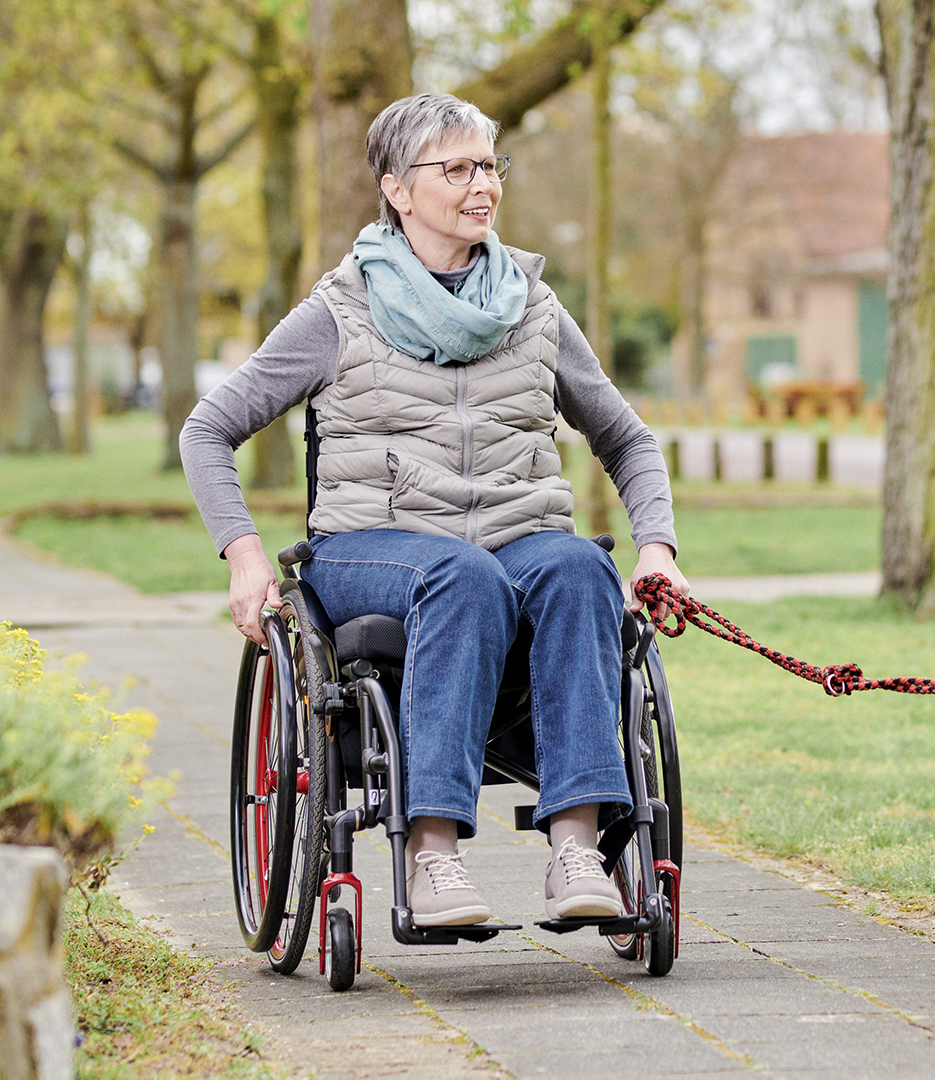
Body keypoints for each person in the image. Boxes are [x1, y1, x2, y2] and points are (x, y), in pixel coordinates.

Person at [182, 93, 690, 927]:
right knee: (462, 576)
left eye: (489, 165)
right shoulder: (338, 311)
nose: (481, 185)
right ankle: (431, 855)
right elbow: (209, 430)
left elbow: (629, 441)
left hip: (516, 538)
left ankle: (576, 848)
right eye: (455, 168)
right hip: (370, 552)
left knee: (576, 567)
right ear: (398, 189)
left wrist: (657, 547)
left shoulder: (533, 307)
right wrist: (241, 553)